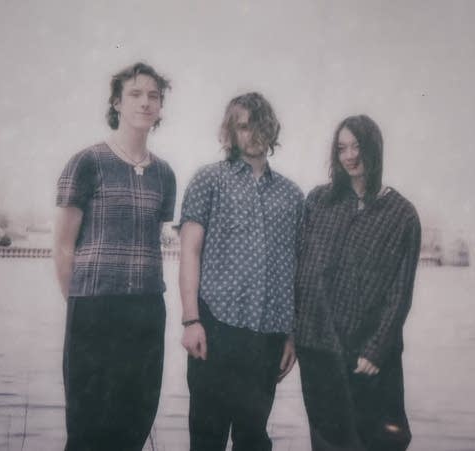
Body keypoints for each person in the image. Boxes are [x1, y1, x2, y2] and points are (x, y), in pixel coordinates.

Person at [53, 62, 176, 451]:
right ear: (117, 103)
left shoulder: (165, 174)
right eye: (135, 94)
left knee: (134, 424)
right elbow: (63, 246)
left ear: (160, 106)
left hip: (147, 309)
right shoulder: (87, 162)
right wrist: (80, 303)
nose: (145, 102)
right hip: (94, 308)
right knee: (87, 429)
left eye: (153, 96)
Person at [179, 92, 304, 451]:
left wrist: (291, 336)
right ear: (231, 132)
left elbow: (296, 270)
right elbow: (189, 252)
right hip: (215, 328)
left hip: (267, 337)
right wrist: (191, 320)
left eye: (260, 126)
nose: (253, 134)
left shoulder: (292, 196)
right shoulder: (209, 180)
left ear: (272, 130)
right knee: (207, 439)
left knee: (253, 438)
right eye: (244, 126)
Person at [294, 115, 421, 451]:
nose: (349, 155)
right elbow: (301, 269)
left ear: (374, 149)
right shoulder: (318, 201)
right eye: (342, 148)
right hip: (318, 350)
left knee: (380, 441)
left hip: (368, 355)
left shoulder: (401, 214)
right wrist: (294, 335)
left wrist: (377, 349)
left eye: (357, 146)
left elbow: (400, 292)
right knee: (328, 442)